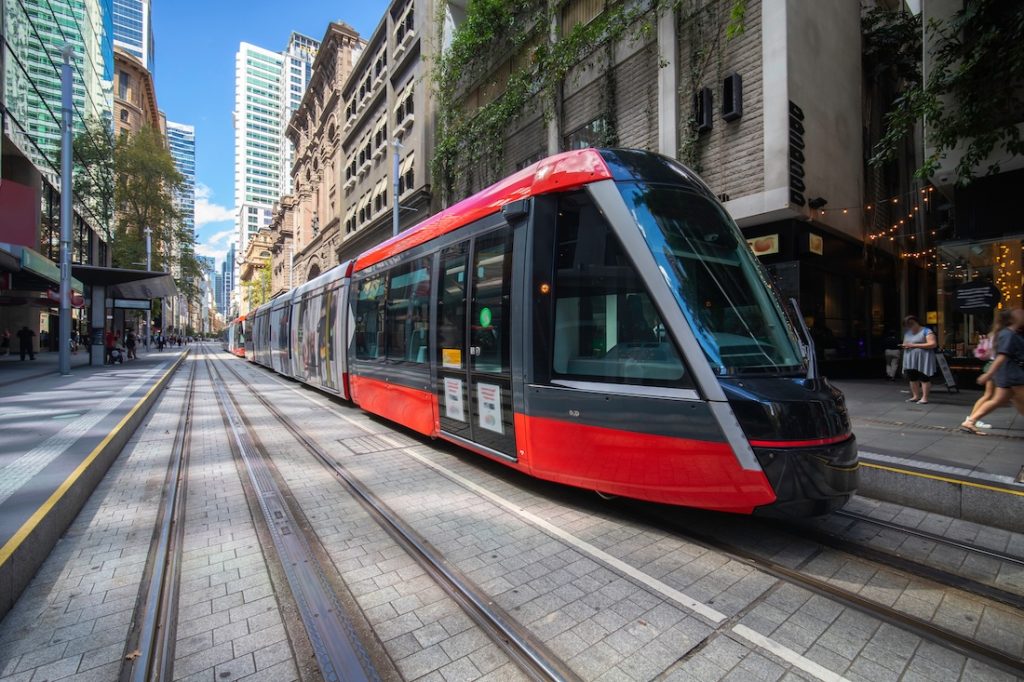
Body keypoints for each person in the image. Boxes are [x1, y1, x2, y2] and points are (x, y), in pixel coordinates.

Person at [961, 308, 1024, 434]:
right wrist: (988, 374)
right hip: (1013, 374)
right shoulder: (1008, 334)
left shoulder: (1010, 333)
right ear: (1012, 319)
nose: (1022, 314)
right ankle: (971, 420)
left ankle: (971, 421)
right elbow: (1001, 356)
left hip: (1009, 373)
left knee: (998, 400)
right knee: (1000, 399)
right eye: (1020, 313)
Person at [966, 311, 1010, 430]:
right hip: (996, 366)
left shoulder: (994, 333)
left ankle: (972, 418)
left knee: (989, 395)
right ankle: (972, 419)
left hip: (992, 365)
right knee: (990, 395)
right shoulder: (1004, 334)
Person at [901, 315, 937, 404]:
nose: (910, 327)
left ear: (916, 322)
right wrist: (905, 346)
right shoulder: (908, 333)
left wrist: (914, 345)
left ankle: (924, 397)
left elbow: (932, 344)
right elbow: (905, 343)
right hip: (910, 358)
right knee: (912, 377)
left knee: (924, 377)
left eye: (911, 325)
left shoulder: (927, 331)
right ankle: (915, 396)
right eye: (908, 326)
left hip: (923, 358)